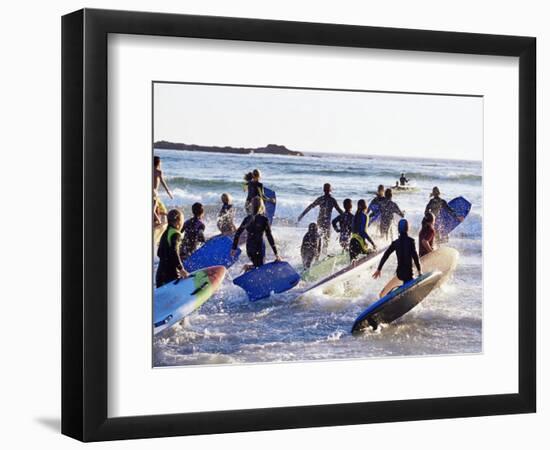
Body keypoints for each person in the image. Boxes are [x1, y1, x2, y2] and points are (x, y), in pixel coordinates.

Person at [231, 196, 281, 270]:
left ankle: (248, 269)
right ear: (262, 206)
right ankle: (247, 268)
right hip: (259, 247)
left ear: (251, 206)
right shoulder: (264, 219)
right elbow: (269, 236)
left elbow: (237, 233)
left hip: (250, 248)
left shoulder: (247, 219)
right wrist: (276, 253)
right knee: (260, 268)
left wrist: (234, 248)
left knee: (257, 267)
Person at [297, 183, 344, 253]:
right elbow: (339, 210)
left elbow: (310, 206)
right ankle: (323, 253)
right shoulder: (332, 200)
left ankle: (317, 254)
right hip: (326, 222)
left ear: (323, 190)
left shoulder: (321, 199)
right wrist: (348, 216)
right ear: (331, 190)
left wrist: (302, 215)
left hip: (320, 221)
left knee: (319, 239)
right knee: (326, 240)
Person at [373, 219, 421, 284]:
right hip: (409, 273)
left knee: (404, 274)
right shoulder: (411, 241)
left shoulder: (395, 243)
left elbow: (386, 255)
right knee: (408, 274)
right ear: (407, 229)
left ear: (398, 230)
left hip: (399, 274)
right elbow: (415, 257)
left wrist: (379, 269)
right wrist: (419, 271)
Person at [156, 209, 189, 288]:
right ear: (178, 222)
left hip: (160, 275)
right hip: (170, 276)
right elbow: (174, 252)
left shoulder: (165, 233)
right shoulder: (176, 234)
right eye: (182, 220)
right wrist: (181, 269)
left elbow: (159, 252)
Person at [153, 156, 174, 224]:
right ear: (158, 163)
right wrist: (169, 192)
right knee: (160, 209)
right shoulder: (158, 171)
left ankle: (156, 222)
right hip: (154, 193)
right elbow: (163, 182)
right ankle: (160, 222)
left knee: (157, 209)